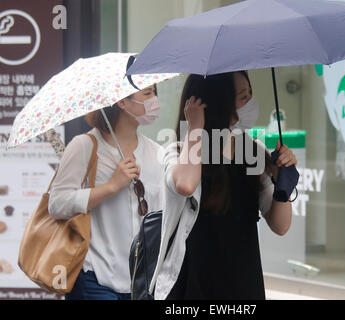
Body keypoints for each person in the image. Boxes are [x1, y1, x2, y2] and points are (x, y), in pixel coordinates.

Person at [148, 71, 297, 300]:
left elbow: (281, 225)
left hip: (243, 285)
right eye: (242, 97)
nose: (250, 103)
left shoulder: (254, 152)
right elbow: (186, 185)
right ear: (218, 101)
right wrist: (195, 128)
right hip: (192, 286)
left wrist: (282, 182)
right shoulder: (178, 152)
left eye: (250, 94)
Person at [48, 85, 164, 300]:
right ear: (122, 102)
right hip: (95, 277)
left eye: (154, 93)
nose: (154, 101)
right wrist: (112, 185)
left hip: (142, 282)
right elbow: (57, 204)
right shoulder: (85, 146)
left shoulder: (156, 152)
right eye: (147, 94)